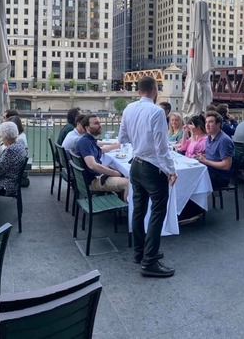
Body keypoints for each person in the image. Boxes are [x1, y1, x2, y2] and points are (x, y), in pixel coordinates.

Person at [118, 76, 177, 278]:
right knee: (157, 212)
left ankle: (139, 252)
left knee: (139, 210)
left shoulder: (128, 109)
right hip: (152, 167)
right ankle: (150, 261)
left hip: (135, 164)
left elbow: (122, 138)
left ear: (138, 90)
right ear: (155, 90)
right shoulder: (157, 112)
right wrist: (171, 170)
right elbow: (162, 146)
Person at [76, 115, 129, 200]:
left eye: (100, 122)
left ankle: (122, 202)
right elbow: (93, 166)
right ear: (87, 128)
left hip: (94, 176)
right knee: (128, 183)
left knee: (121, 172)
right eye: (96, 123)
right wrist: (114, 173)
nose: (100, 125)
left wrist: (113, 146)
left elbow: (100, 151)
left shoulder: (89, 140)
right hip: (93, 181)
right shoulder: (85, 142)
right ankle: (129, 210)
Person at [197, 112, 235, 189]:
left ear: (218, 124)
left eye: (211, 122)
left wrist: (205, 161)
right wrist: (203, 156)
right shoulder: (209, 137)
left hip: (220, 177)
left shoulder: (224, 140)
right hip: (211, 171)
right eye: (206, 122)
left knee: (192, 181)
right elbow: (214, 155)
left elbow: (226, 165)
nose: (207, 125)